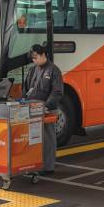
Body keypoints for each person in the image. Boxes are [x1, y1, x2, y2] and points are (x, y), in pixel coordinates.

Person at [23, 44, 63, 175]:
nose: (34, 60)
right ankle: (35, 164)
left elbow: (57, 92)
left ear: (43, 54)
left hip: (47, 110)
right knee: (34, 139)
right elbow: (27, 88)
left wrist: (46, 106)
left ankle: (48, 166)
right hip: (32, 109)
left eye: (35, 57)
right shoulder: (33, 70)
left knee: (48, 138)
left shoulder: (54, 70)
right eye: (32, 58)